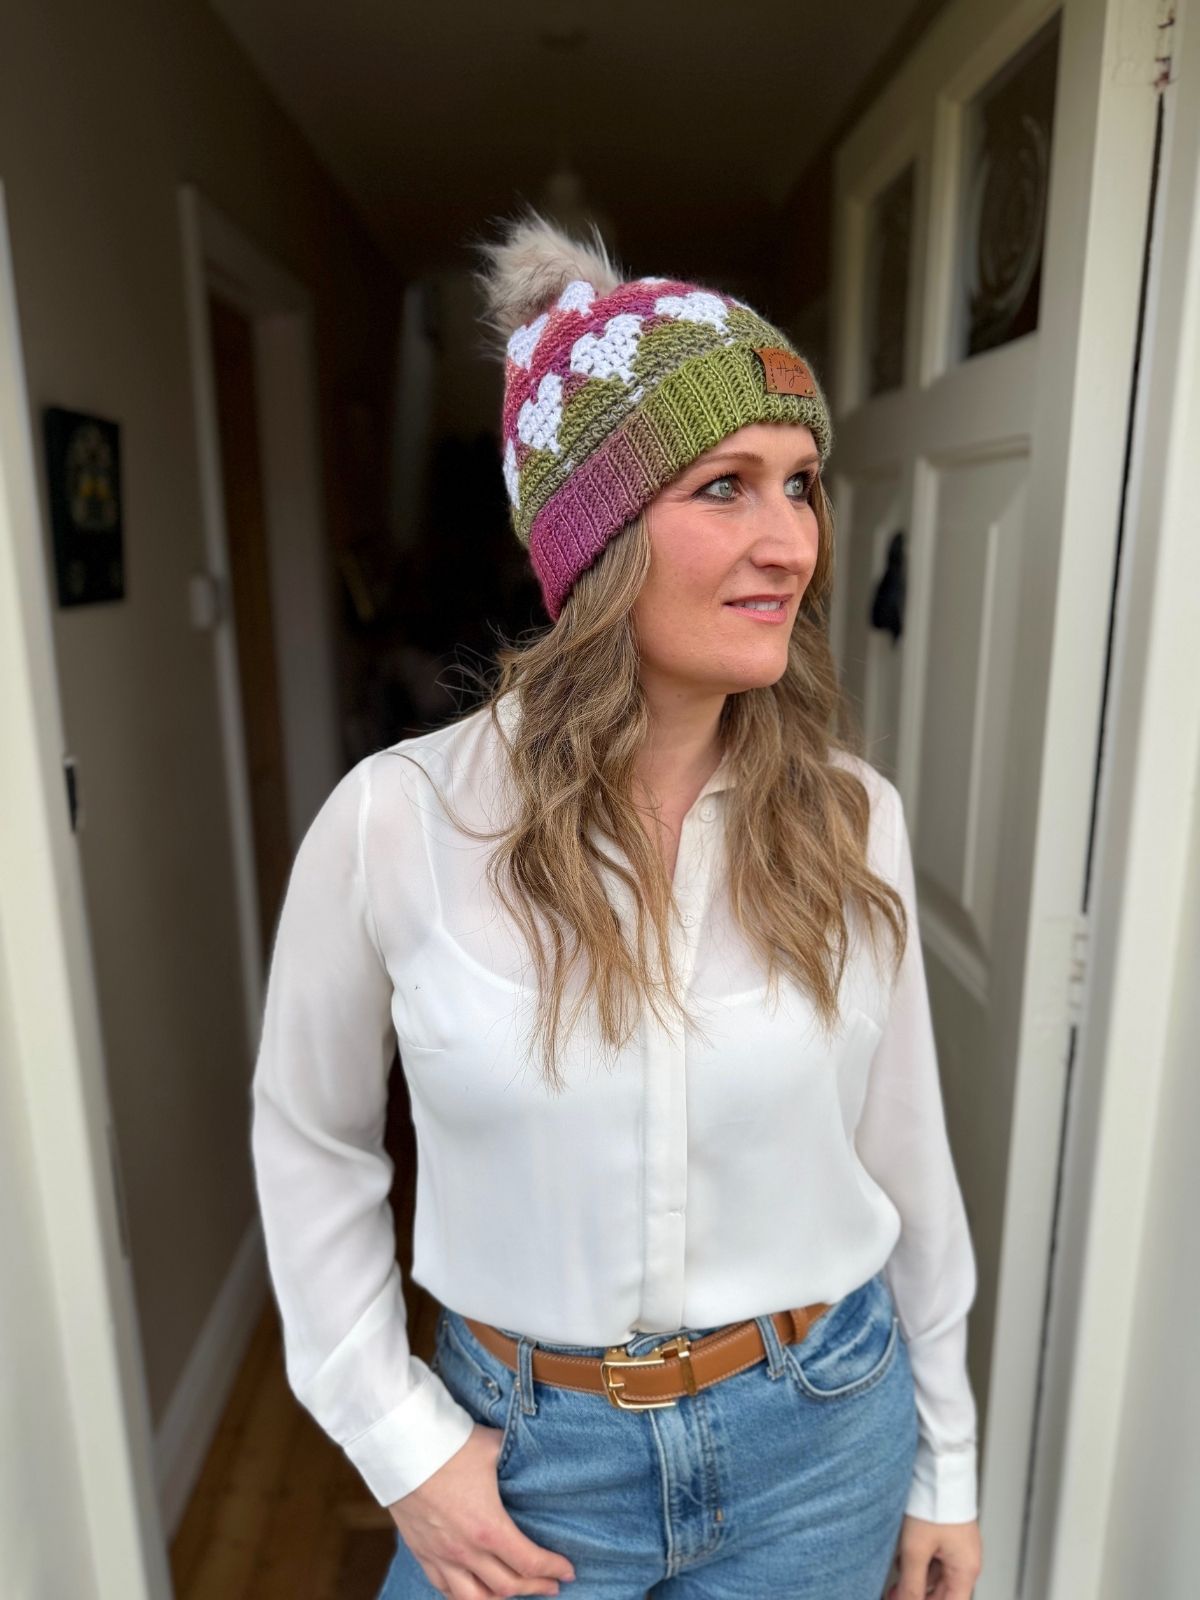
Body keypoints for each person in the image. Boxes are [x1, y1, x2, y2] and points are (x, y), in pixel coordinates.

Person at [250, 209, 984, 1600]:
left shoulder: (848, 816)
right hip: (528, 1465)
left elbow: (908, 1162)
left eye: (803, 483)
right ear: (590, 540)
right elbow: (311, 1146)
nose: (790, 543)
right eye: (725, 487)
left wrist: (947, 1458)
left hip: (823, 1439)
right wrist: (397, 1438)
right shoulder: (399, 822)